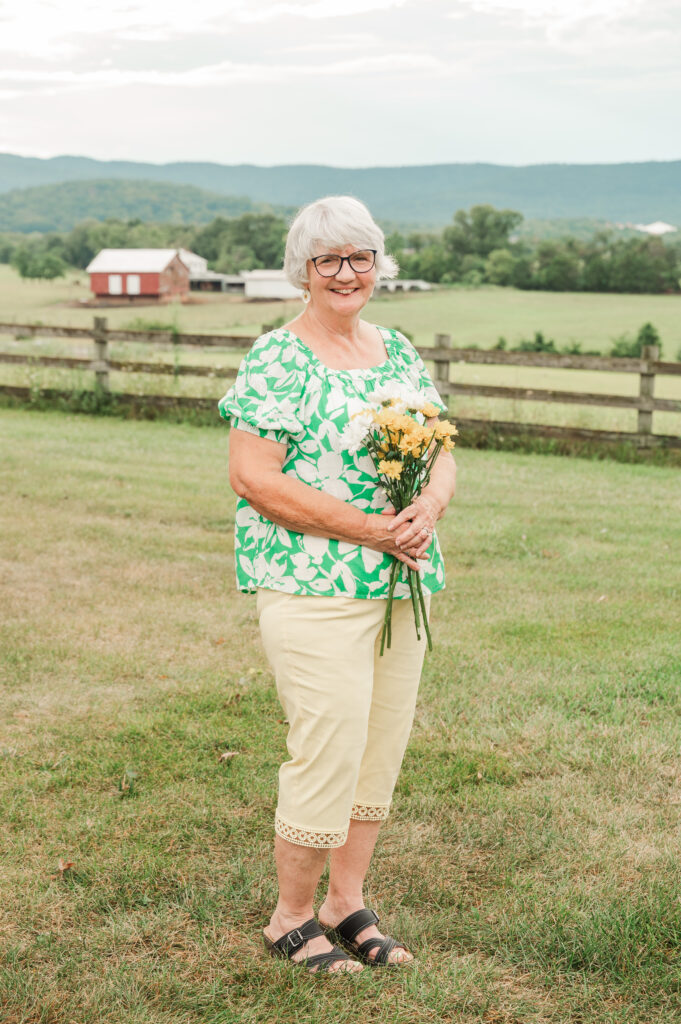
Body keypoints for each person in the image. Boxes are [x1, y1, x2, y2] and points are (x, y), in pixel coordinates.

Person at [219, 195, 456, 974]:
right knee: (326, 744)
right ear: (303, 271)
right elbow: (253, 478)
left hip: (400, 584)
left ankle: (344, 902)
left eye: (358, 257)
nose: (345, 272)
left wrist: (428, 502)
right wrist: (368, 530)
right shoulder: (277, 358)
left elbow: (441, 445)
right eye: (328, 260)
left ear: (376, 265)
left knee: (377, 747)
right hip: (312, 583)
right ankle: (290, 915)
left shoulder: (394, 351)